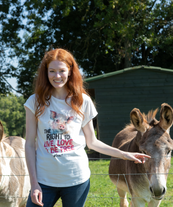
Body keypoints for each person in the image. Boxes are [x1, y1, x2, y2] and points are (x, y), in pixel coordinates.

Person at [24, 48, 150, 207]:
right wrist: (34, 183)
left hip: (76, 180)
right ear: (45, 72)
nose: (57, 76)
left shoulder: (83, 101)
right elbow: (29, 144)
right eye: (52, 71)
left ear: (70, 71)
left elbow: (92, 142)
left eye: (62, 71)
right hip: (43, 181)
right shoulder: (34, 102)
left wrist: (124, 154)